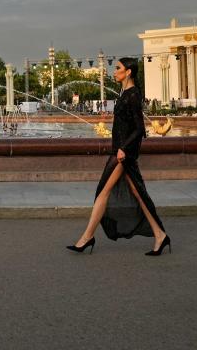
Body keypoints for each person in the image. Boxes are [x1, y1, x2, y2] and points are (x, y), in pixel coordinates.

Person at [68, 57, 170, 256]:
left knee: (103, 192)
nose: (114, 71)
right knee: (138, 193)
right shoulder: (124, 92)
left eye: (117, 68)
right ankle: (159, 235)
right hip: (120, 150)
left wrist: (123, 148)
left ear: (128, 72)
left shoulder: (132, 94)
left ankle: (87, 237)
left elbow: (140, 128)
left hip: (122, 153)